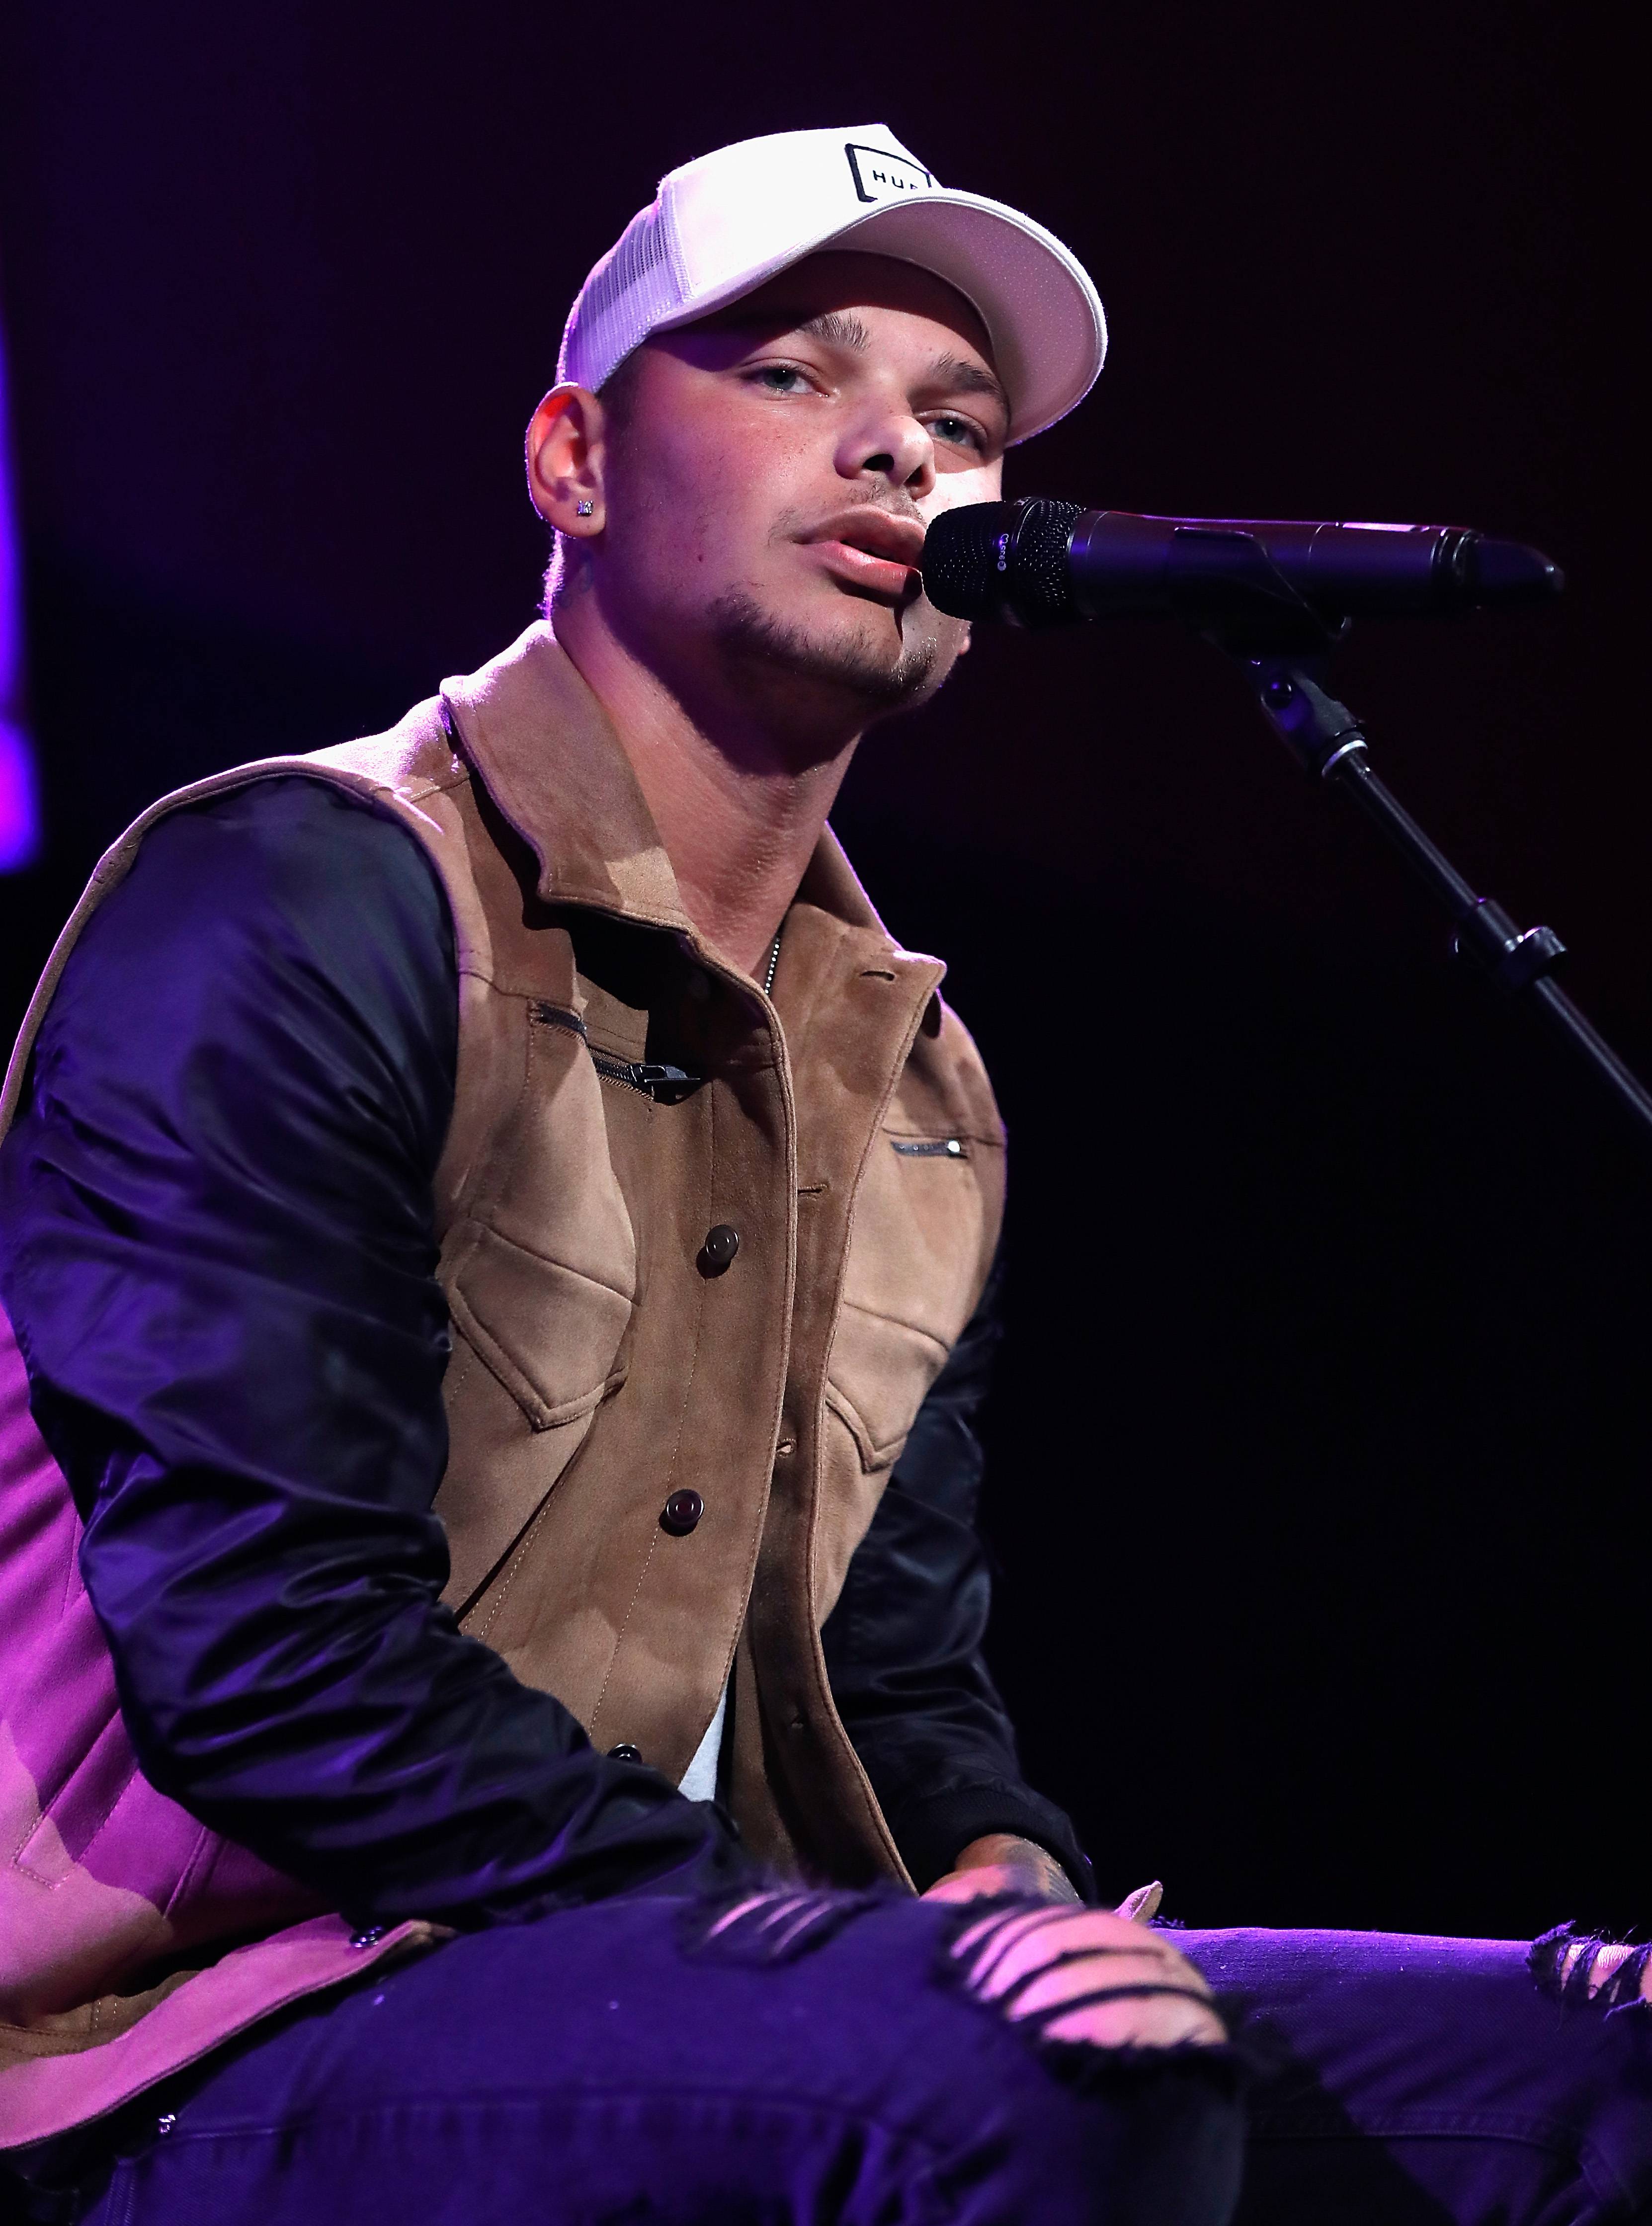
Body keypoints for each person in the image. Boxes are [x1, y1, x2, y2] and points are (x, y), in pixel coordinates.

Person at [0, 124, 1643, 2226]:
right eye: (795, 376)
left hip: (710, 1979)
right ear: (571, 461)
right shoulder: (300, 898)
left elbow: (885, 1686)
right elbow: (269, 1654)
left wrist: (1004, 1870)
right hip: (218, 2035)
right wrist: (888, 1962)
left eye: (957, 424)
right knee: (1042, 2098)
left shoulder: (922, 1075)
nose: (900, 453)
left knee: (1592, 2078)